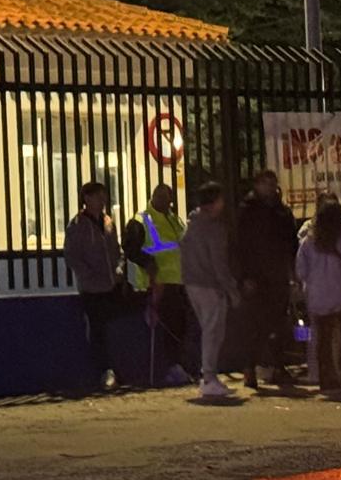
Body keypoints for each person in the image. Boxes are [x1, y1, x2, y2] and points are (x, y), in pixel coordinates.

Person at [295, 200, 341, 396]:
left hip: (317, 298)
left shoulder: (309, 241)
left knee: (322, 340)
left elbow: (300, 270)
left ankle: (325, 378)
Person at [122, 183, 191, 385]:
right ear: (153, 196)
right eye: (161, 197)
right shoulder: (140, 220)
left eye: (168, 198)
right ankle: (170, 368)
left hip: (177, 282)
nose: (165, 201)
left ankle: (177, 366)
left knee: (179, 326)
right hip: (156, 284)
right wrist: (147, 263)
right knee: (166, 328)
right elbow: (130, 248)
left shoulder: (174, 219)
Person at [235, 170, 298, 389]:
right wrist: (244, 277)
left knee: (279, 324)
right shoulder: (248, 211)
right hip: (256, 277)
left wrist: (291, 271)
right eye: (266, 184)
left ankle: (278, 366)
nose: (270, 188)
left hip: (277, 275)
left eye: (273, 184)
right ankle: (250, 368)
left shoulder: (281, 211)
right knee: (254, 325)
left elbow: (290, 242)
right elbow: (239, 247)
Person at [180, 183, 241, 399]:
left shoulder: (192, 224)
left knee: (208, 330)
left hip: (192, 282)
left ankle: (208, 376)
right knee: (213, 332)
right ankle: (209, 377)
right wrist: (231, 288)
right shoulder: (213, 228)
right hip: (209, 284)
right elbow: (219, 263)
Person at [63, 181, 123, 390]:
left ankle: (113, 369)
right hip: (92, 287)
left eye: (103, 196)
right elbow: (72, 255)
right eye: (98, 196)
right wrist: (88, 275)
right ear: (87, 199)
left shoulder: (107, 221)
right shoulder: (78, 224)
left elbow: (116, 250)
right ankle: (104, 371)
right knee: (98, 329)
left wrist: (118, 268)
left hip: (110, 284)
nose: (102, 200)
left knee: (111, 326)